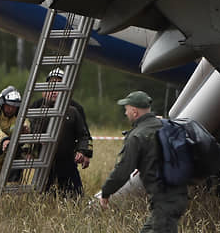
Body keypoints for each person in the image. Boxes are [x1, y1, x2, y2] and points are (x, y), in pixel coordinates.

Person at [100, 91, 188, 233]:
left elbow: (123, 170)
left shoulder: (137, 135)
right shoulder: (164, 125)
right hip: (176, 196)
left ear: (134, 111)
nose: (125, 113)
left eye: (126, 109)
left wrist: (106, 192)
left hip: (165, 199)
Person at [29, 68, 93, 197]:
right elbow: (27, 132)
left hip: (68, 161)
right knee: (41, 199)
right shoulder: (35, 107)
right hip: (43, 162)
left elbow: (84, 135)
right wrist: (30, 151)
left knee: (76, 198)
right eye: (52, 84)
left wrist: (85, 153)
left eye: (59, 85)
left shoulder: (75, 109)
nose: (54, 90)